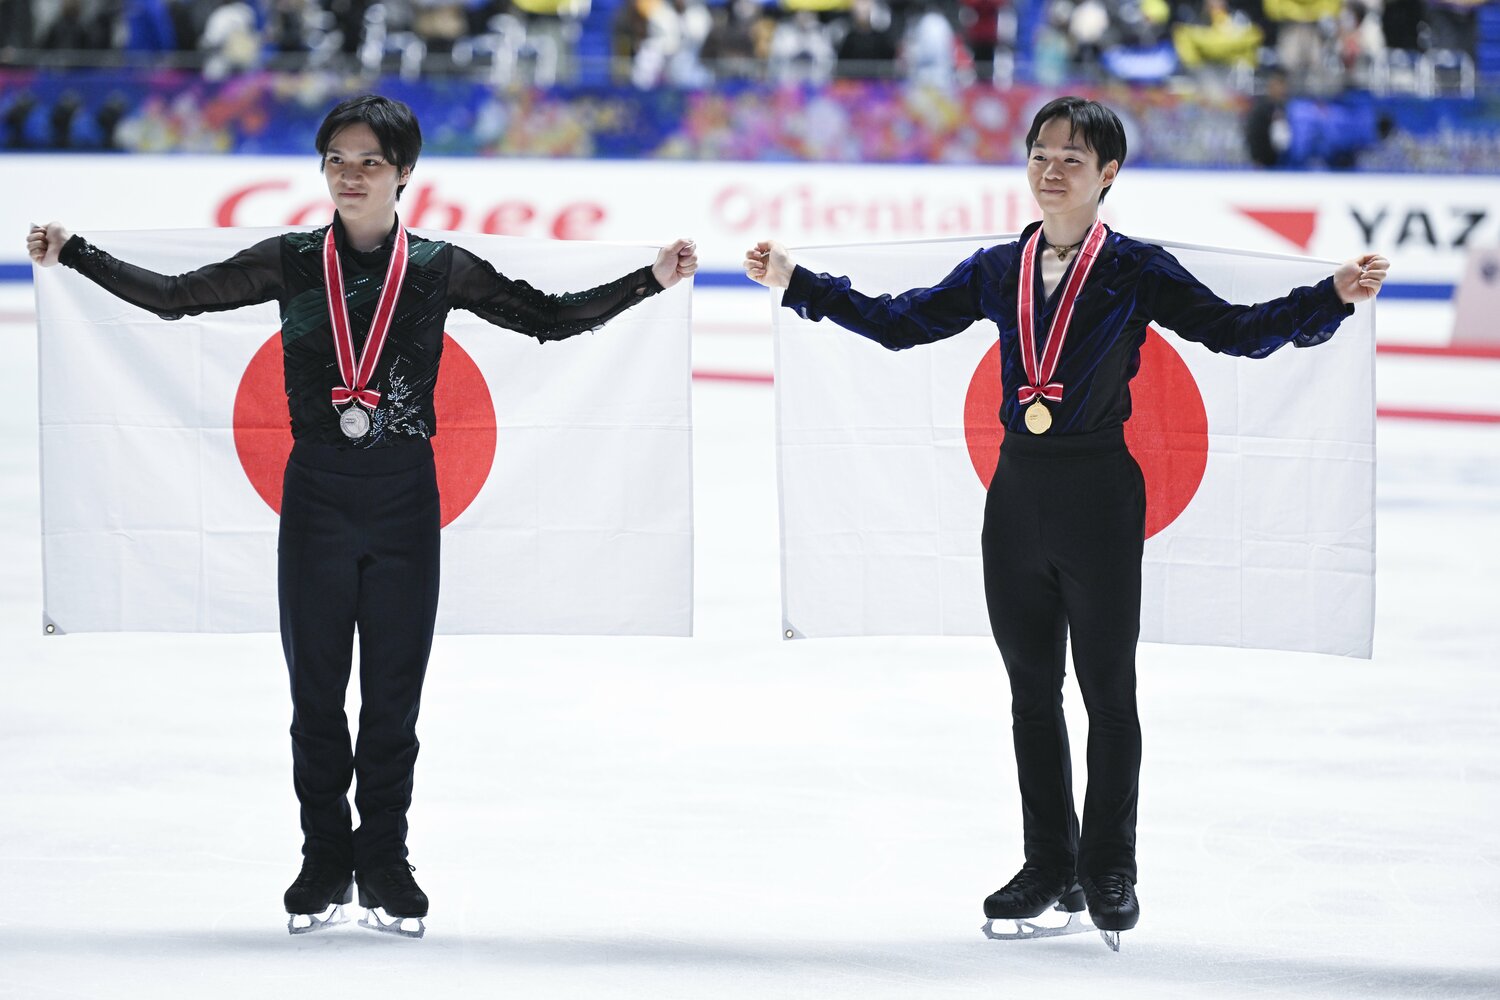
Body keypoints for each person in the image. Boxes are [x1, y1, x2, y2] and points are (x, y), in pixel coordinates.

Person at [27, 93, 698, 939]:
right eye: (337, 160)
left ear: (404, 173)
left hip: (404, 501)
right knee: (315, 697)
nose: (350, 175)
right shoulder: (292, 260)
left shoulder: (441, 269)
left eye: (369, 162)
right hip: (315, 498)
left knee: (391, 699)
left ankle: (383, 859)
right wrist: (76, 251)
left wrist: (653, 279)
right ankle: (322, 858)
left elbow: (549, 320)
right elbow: (174, 299)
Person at [743, 96, 1386, 945]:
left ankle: (1108, 867)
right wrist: (800, 283)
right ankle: (1049, 860)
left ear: (1107, 174)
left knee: (1108, 695)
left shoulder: (1135, 271)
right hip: (1015, 497)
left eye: (1072, 159)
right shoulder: (994, 268)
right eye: (1041, 154)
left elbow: (1235, 332)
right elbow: (902, 325)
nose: (1052, 170)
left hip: (1098, 498)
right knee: (1029, 696)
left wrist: (1328, 296)